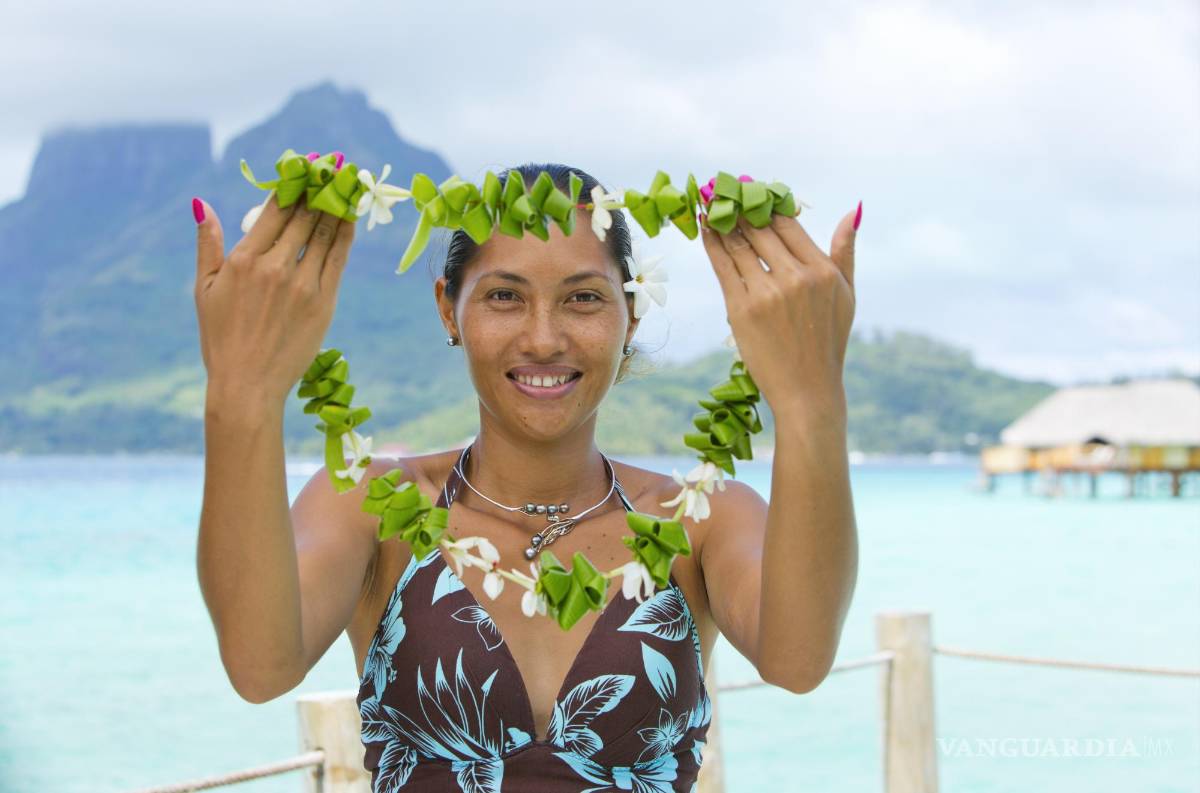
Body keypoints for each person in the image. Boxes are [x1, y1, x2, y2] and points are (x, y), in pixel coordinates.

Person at [192, 161, 860, 792]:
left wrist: (810, 397)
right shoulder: (374, 504)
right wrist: (242, 390)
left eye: (584, 298)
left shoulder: (699, 517)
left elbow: (798, 660)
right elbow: (258, 664)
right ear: (449, 309)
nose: (543, 338)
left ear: (631, 314)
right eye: (505, 295)